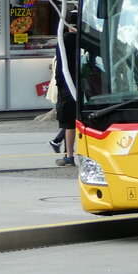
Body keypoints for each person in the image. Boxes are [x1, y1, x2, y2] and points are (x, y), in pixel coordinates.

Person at [53, 18, 77, 166]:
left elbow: (61, 65)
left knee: (69, 123)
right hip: (86, 84)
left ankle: (69, 155)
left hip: (68, 83)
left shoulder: (64, 40)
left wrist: (58, 82)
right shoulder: (88, 39)